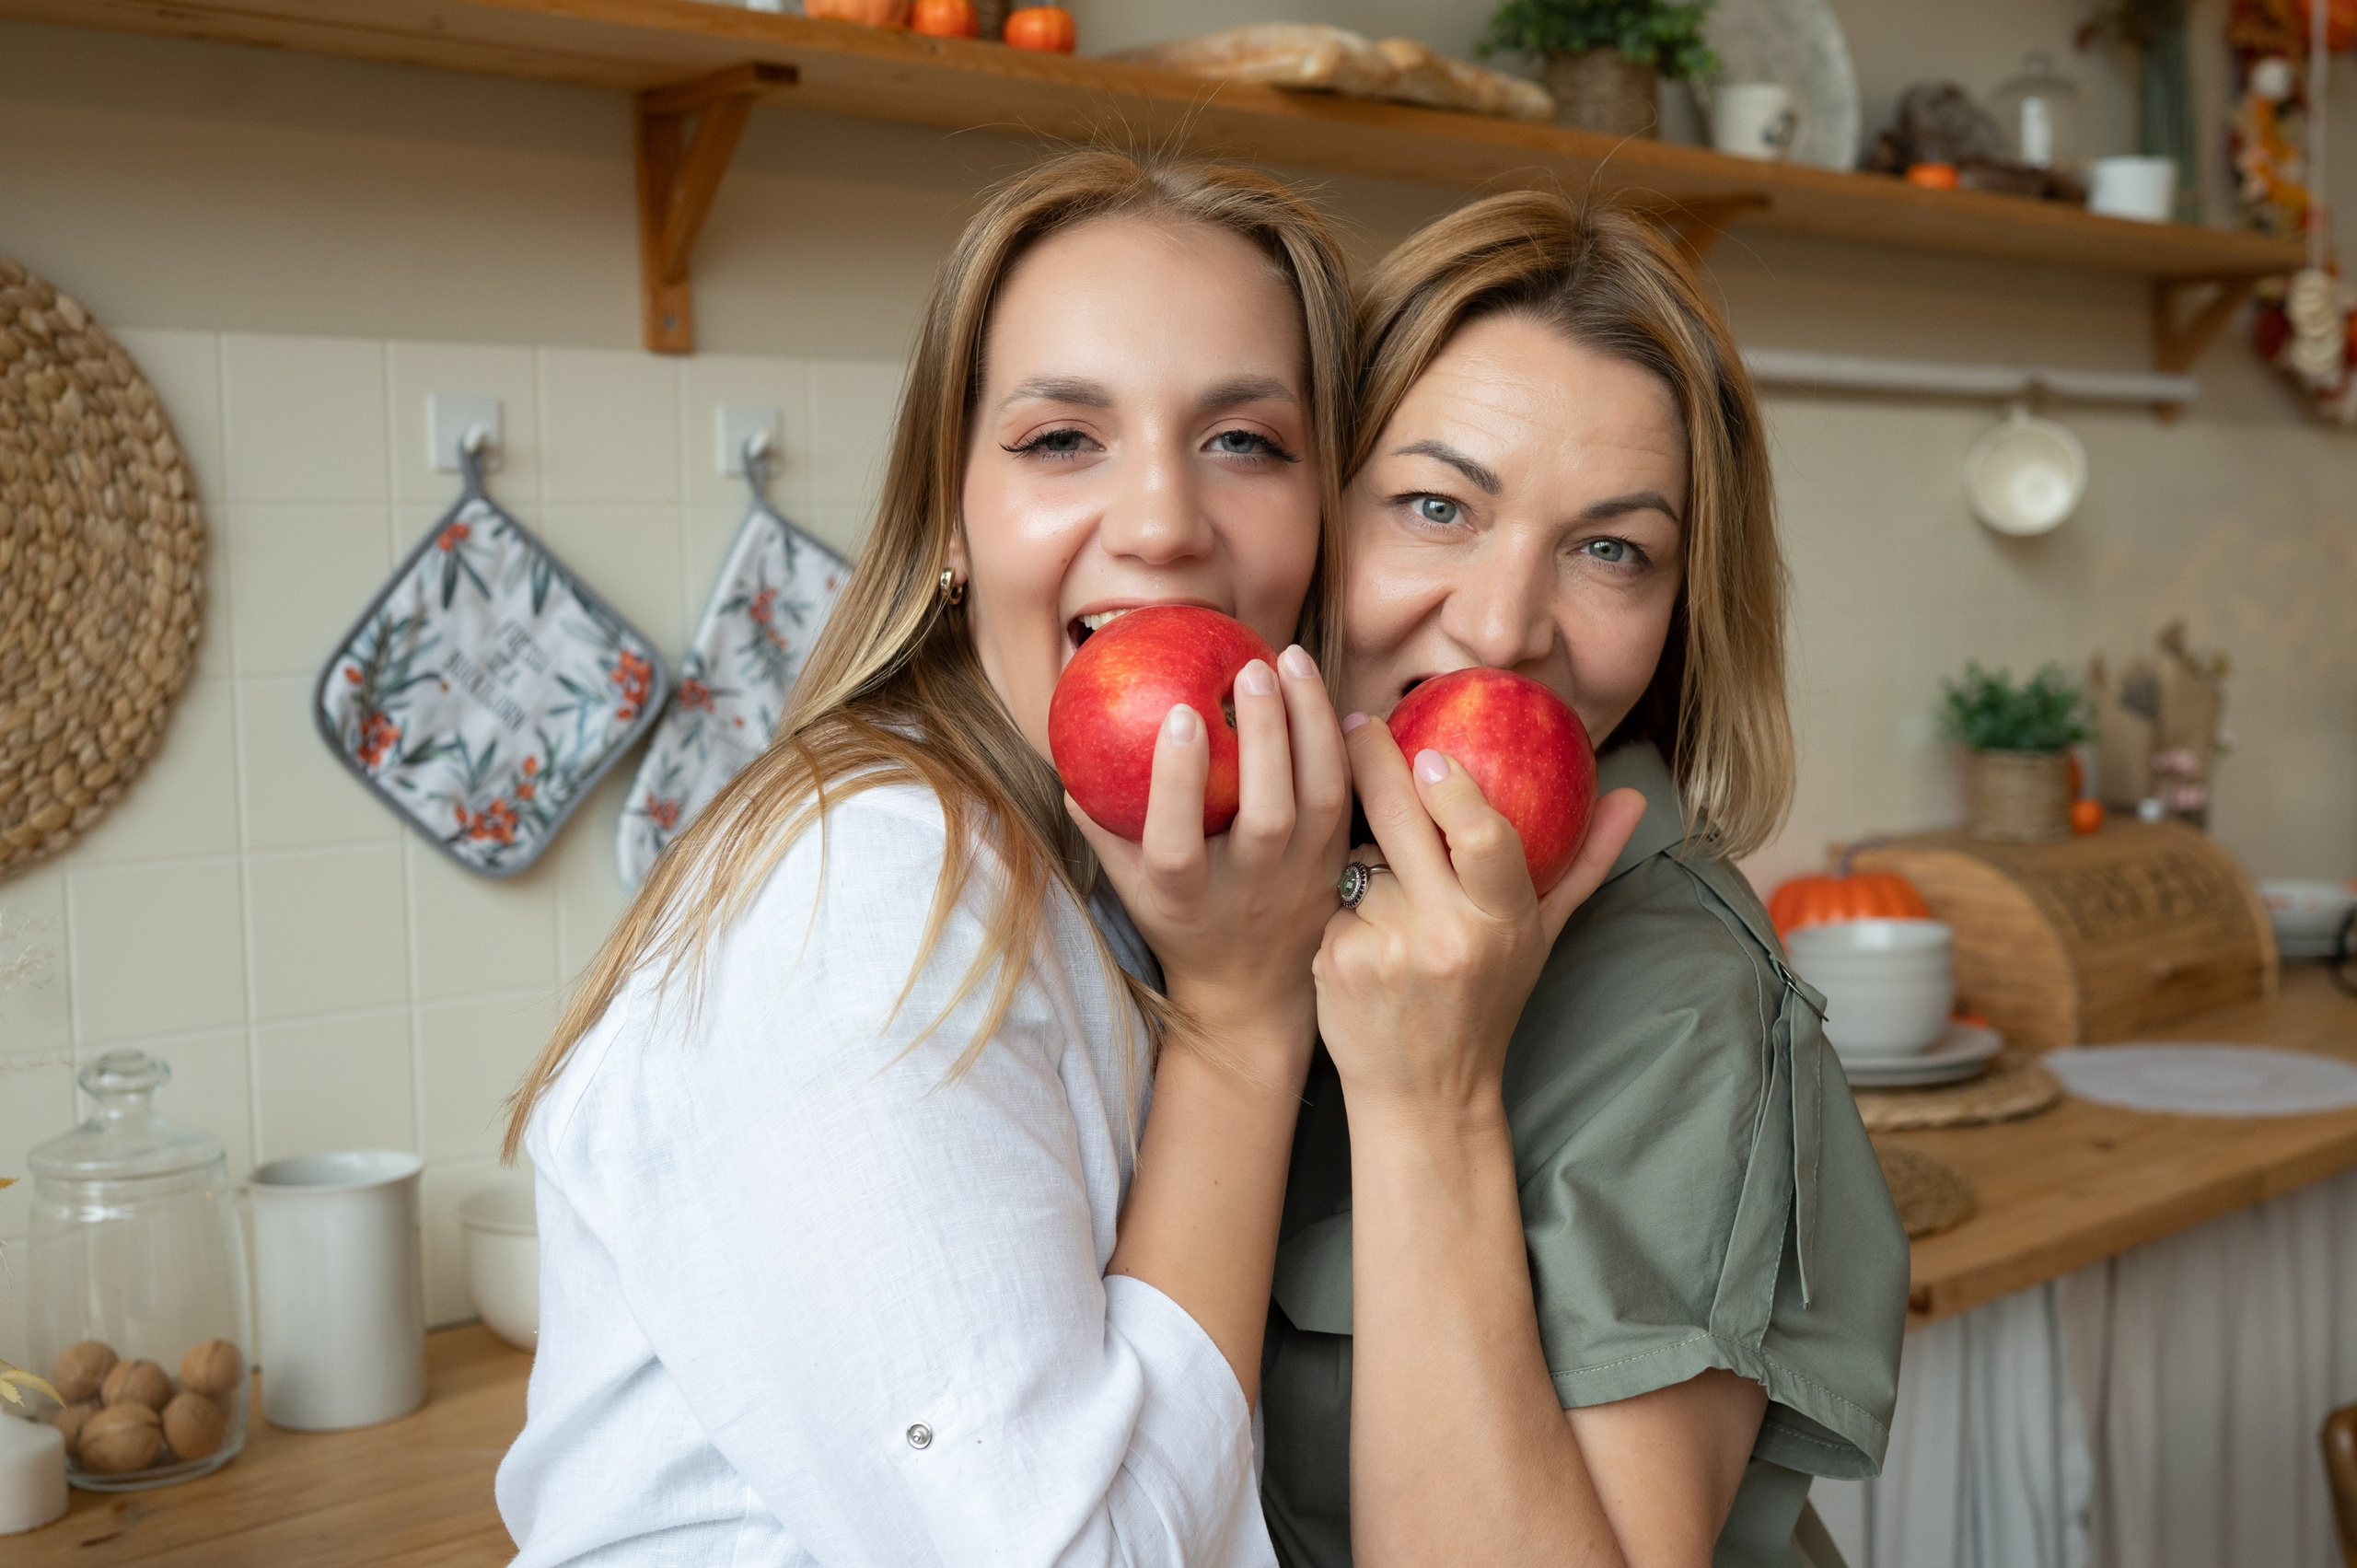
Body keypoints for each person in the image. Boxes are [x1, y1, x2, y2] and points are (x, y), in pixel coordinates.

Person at [493, 148, 1363, 1565]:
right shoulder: (872, 889)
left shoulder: (1157, 881)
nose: (1161, 523)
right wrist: (1247, 1020)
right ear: (952, 519)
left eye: (1246, 442)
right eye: (1061, 439)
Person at [1259, 194, 1910, 1567]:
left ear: (1682, 609)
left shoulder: (1683, 1009)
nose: (1504, 628)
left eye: (1609, 549)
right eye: (1435, 506)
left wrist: (1431, 1100)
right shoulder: (1224, 875)